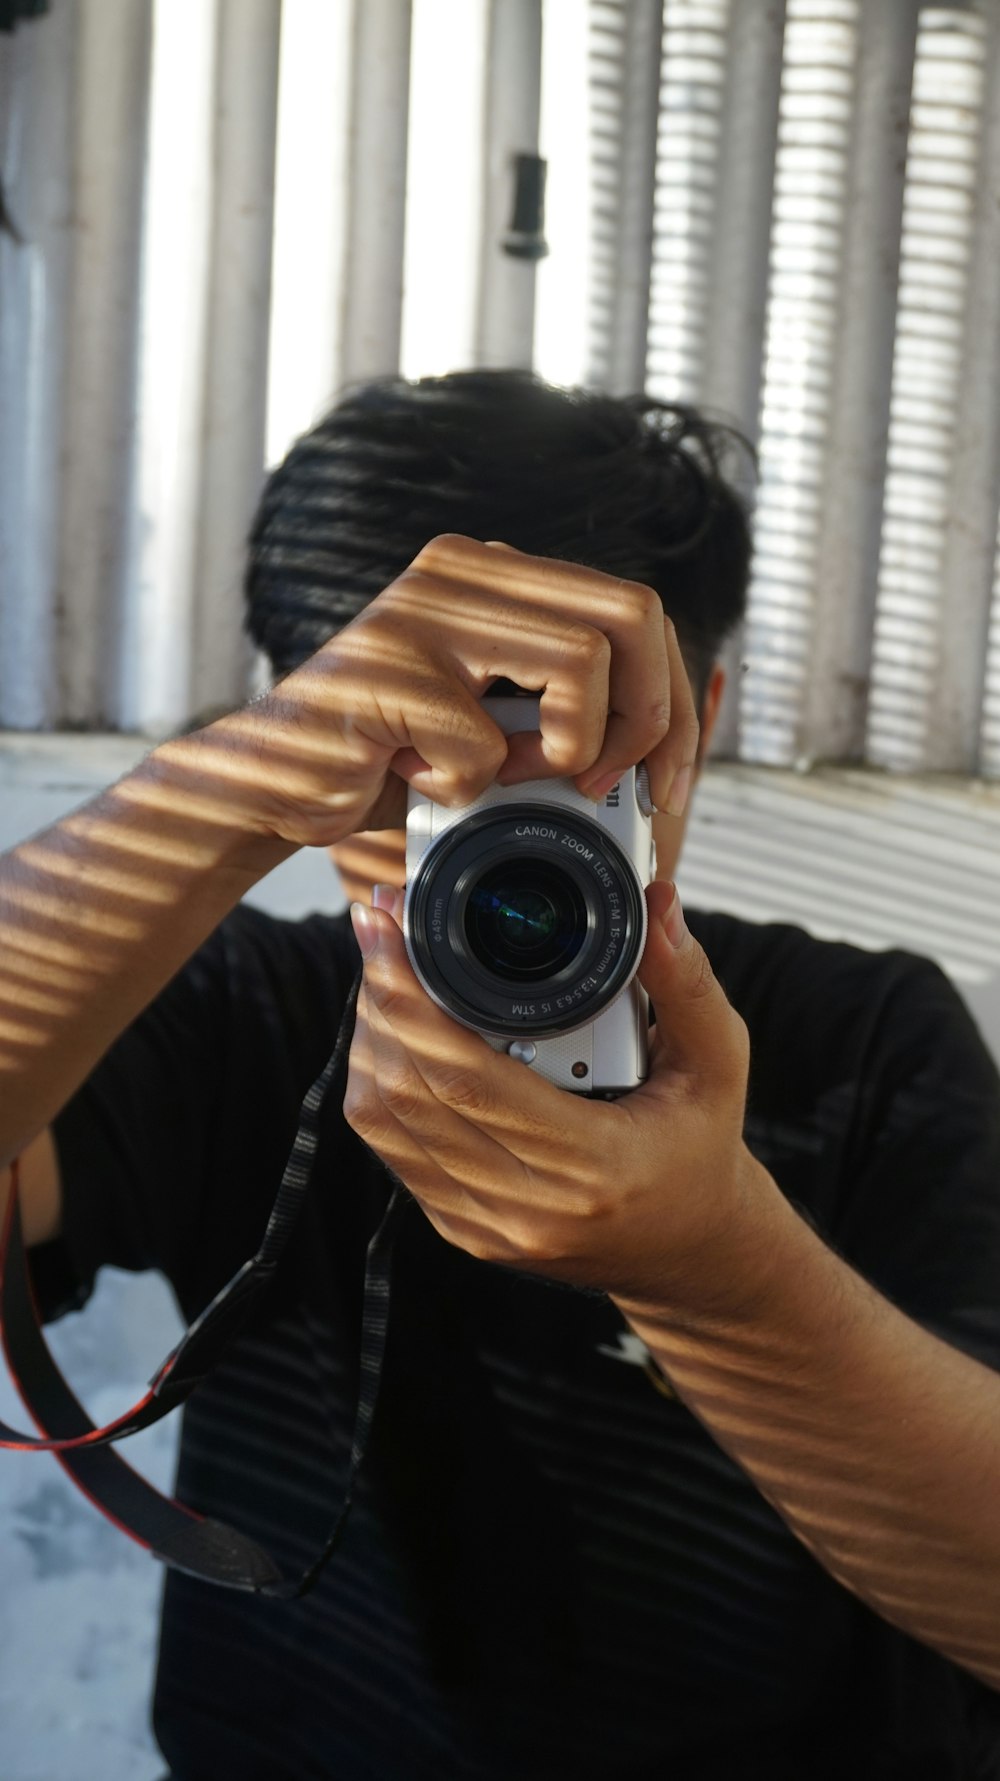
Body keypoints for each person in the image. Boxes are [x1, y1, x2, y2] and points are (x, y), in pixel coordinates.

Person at [2, 370, 1000, 1780]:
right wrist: (224, 793)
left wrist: (723, 1272)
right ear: (296, 729)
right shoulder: (253, 1020)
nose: (483, 842)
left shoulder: (864, 1047)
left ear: (697, 713)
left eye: (569, 765)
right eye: (405, 759)